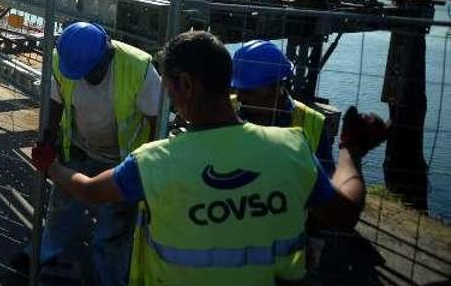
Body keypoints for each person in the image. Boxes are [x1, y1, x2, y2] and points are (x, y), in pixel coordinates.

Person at [31, 31, 387, 286]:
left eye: (169, 88)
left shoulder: (156, 162)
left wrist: (51, 167)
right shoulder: (292, 148)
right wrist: (350, 151)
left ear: (186, 85)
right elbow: (345, 213)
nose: (167, 97)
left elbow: (91, 191)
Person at [15, 22, 162, 285]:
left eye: (91, 72)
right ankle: (44, 253)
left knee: (112, 228)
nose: (86, 78)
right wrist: (48, 138)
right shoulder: (66, 58)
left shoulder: (138, 67)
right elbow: (55, 99)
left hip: (122, 158)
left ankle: (106, 278)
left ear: (107, 55)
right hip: (80, 146)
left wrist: (149, 169)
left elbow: (156, 119)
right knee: (61, 207)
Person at [230, 40, 335, 173]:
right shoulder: (226, 108)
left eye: (248, 92)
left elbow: (327, 180)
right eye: (237, 89)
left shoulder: (313, 124)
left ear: (276, 89)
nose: (239, 98)